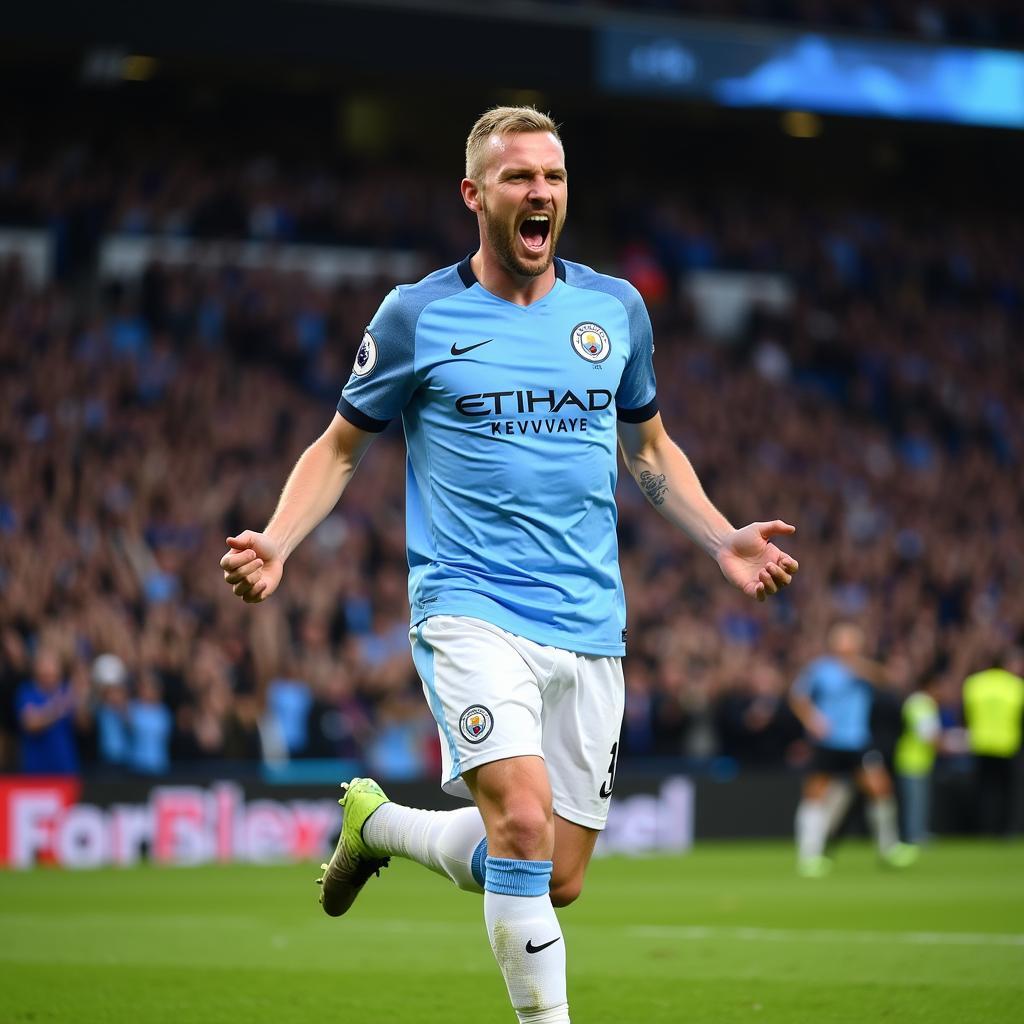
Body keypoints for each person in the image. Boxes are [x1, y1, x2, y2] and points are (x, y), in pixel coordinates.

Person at [220, 106, 799, 1024]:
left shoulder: (614, 310)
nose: (541, 193)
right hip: (470, 606)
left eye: (555, 178)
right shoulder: (416, 316)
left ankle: (380, 827)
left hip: (591, 623)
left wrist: (721, 534)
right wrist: (279, 542)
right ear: (474, 194)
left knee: (553, 875)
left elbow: (647, 450)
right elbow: (338, 449)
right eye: (520, 177)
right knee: (522, 825)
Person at [789, 622, 916, 876]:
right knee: (815, 794)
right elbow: (798, 698)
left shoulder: (864, 670)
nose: (848, 646)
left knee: (880, 788)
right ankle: (809, 855)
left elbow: (887, 680)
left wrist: (861, 667)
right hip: (828, 741)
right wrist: (813, 720)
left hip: (857, 740)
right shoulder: (820, 670)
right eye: (844, 640)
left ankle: (888, 848)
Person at [962, 649, 1024, 836]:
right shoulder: (1015, 685)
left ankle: (985, 829)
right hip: (1007, 745)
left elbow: (966, 715)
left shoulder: (974, 683)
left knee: (984, 792)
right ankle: (1009, 830)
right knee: (1008, 792)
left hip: (981, 744)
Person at [893, 674, 944, 845]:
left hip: (916, 761)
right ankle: (915, 835)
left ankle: (917, 833)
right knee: (915, 802)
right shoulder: (921, 704)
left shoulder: (919, 703)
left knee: (917, 801)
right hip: (912, 761)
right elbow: (928, 735)